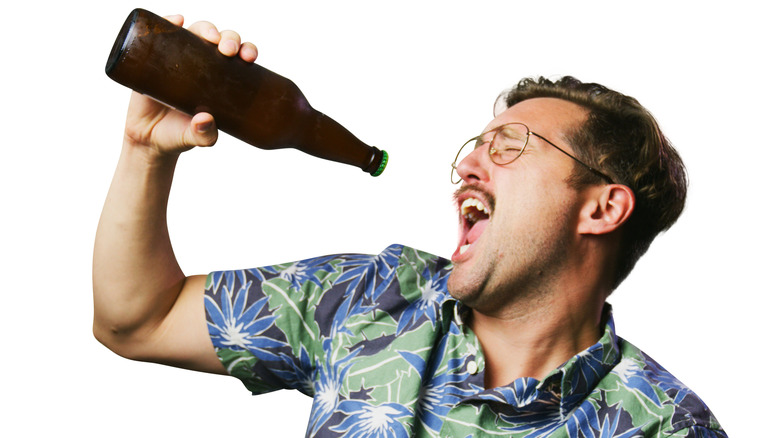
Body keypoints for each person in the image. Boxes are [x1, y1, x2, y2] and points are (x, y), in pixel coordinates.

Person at [93, 15, 727, 438]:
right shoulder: (371, 296)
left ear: (601, 209)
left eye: (509, 146)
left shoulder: (666, 426)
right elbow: (136, 319)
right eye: (473, 147)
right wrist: (145, 152)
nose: (467, 166)